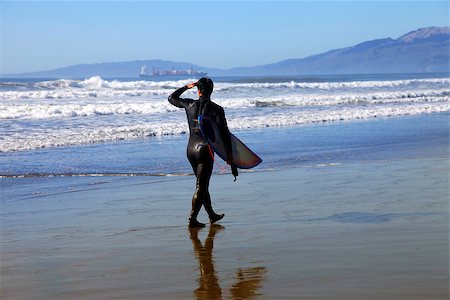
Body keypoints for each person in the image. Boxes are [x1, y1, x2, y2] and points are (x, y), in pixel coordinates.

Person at [168, 77, 238, 227]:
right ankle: (192, 219)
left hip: (191, 150)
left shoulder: (189, 104)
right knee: (201, 185)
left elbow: (171, 98)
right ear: (211, 90)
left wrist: (186, 87)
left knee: (202, 184)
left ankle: (211, 215)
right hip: (205, 151)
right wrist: (230, 156)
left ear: (197, 90)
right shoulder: (217, 109)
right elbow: (224, 134)